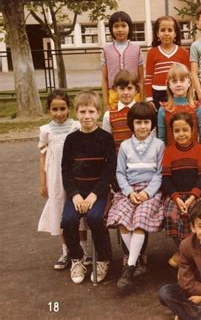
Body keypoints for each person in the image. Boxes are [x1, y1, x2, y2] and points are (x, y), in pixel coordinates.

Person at [106, 103, 165, 292]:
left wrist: (147, 193)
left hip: (150, 192)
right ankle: (135, 260)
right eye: (138, 122)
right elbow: (120, 173)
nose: (142, 126)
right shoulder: (124, 146)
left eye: (146, 122)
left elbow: (160, 174)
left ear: (152, 124)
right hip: (129, 191)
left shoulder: (158, 145)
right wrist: (129, 192)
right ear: (132, 124)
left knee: (139, 220)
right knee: (123, 219)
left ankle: (129, 268)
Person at [61, 90, 116, 284]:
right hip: (77, 192)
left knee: (94, 218)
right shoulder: (71, 139)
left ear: (98, 113)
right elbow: (65, 171)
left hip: (98, 192)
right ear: (76, 113)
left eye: (91, 111)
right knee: (68, 221)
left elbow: (109, 171)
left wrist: (94, 195)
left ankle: (103, 258)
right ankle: (77, 258)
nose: (87, 116)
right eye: (83, 111)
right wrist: (74, 195)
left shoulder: (105, 138)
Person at [38, 90, 90, 270]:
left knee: (78, 210)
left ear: (69, 108)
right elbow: (43, 158)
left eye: (62, 108)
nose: (59, 113)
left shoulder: (75, 127)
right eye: (55, 109)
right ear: (49, 110)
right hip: (55, 178)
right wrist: (43, 183)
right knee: (60, 212)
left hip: (75, 176)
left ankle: (83, 250)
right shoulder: (45, 131)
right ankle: (66, 250)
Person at [162, 112, 201, 269]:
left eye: (185, 130)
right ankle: (183, 250)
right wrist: (176, 198)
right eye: (177, 131)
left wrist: (192, 197)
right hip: (176, 196)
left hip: (196, 195)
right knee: (171, 214)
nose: (181, 134)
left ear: (193, 129)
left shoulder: (200, 150)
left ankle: (191, 253)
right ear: (172, 132)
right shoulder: (169, 151)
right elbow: (166, 179)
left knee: (197, 215)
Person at [101, 11, 144, 110]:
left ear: (129, 28)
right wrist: (106, 103)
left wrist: (142, 100)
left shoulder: (137, 48)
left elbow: (141, 78)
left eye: (123, 26)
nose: (120, 30)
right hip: (114, 94)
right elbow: (104, 79)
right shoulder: (106, 50)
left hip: (133, 93)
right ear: (111, 29)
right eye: (116, 26)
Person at [145, 15, 190, 109]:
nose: (166, 33)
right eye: (162, 30)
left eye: (170, 30)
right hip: (158, 94)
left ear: (175, 33)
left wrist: (189, 96)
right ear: (157, 33)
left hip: (178, 93)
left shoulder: (183, 52)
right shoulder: (152, 53)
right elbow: (148, 77)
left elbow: (188, 77)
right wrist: (149, 99)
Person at [157, 63, 201, 146]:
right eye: (174, 81)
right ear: (169, 85)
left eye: (182, 80)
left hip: (194, 155)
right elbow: (162, 138)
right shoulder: (163, 110)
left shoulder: (198, 108)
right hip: (172, 155)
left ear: (189, 82)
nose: (178, 84)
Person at [102, 70, 139, 152]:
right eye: (122, 88)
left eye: (129, 88)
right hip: (118, 160)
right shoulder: (109, 115)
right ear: (115, 89)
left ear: (136, 89)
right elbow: (106, 142)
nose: (126, 92)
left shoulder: (143, 112)